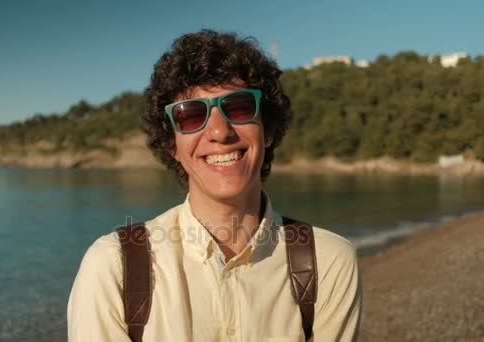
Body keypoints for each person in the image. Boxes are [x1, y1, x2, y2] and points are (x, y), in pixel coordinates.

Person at [68, 30, 361, 342]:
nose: (220, 132)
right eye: (191, 114)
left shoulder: (328, 261)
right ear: (171, 144)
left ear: (268, 130)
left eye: (239, 107)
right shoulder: (114, 268)